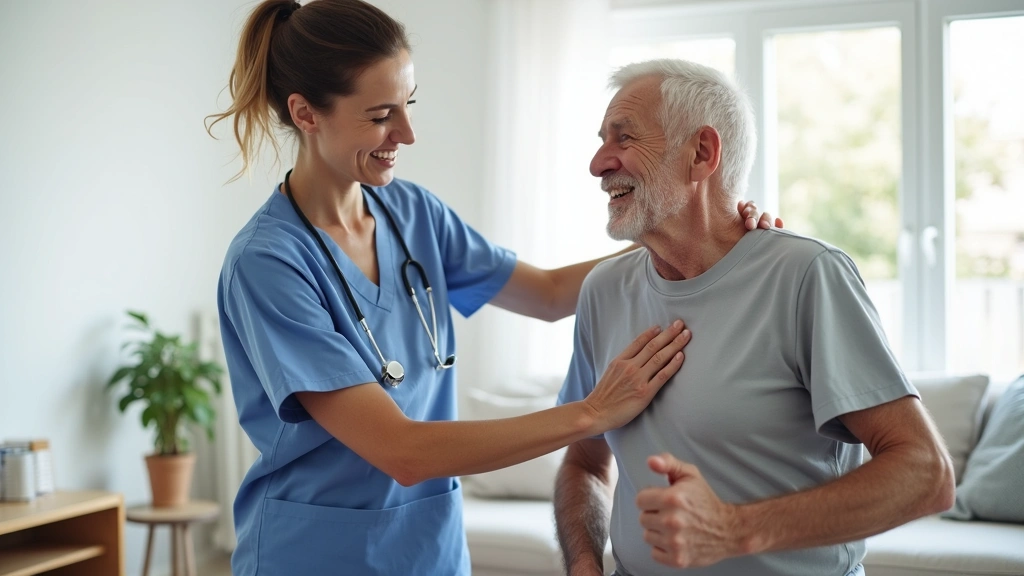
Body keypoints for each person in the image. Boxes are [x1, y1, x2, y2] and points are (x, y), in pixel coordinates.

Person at [206, 2, 779, 574]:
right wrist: (592, 412)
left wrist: (695, 232)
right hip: (314, 555)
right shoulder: (269, 262)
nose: (406, 133)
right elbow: (401, 451)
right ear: (306, 114)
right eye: (380, 115)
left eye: (408, 105)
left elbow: (551, 295)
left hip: (429, 549)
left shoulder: (413, 214)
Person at [553, 59, 956, 576]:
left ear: (702, 153)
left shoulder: (806, 276)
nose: (598, 163)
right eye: (602, 140)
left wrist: (731, 529)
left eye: (623, 138)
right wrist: (584, 564)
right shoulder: (603, 291)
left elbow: (926, 473)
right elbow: (585, 463)